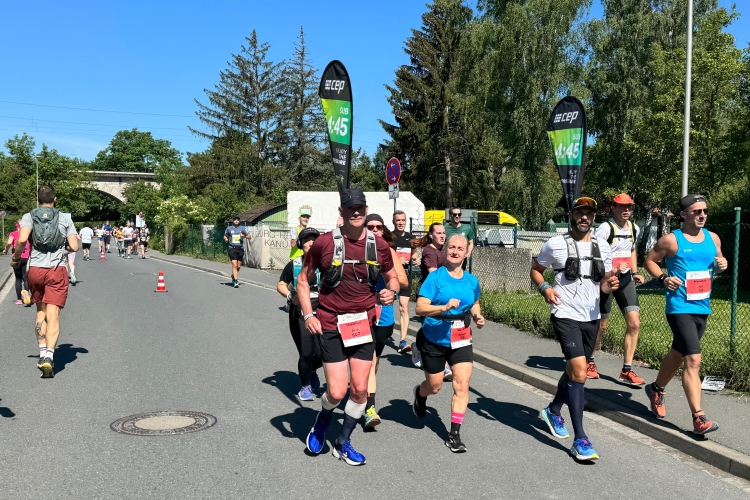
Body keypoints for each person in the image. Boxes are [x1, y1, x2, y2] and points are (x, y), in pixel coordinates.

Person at [298, 188, 399, 466]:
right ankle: (323, 419)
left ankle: (343, 443)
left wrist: (391, 291)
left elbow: (394, 278)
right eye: (350, 208)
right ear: (341, 212)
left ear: (365, 211)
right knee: (337, 392)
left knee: (360, 390)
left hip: (362, 325)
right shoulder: (324, 243)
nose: (356, 212)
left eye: (360, 208)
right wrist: (308, 315)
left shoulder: (379, 245)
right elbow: (303, 280)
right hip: (331, 323)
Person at [530, 196, 618, 461]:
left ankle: (553, 410)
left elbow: (604, 283)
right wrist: (546, 289)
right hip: (564, 314)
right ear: (571, 215)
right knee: (580, 371)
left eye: (589, 214)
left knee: (573, 370)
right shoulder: (555, 244)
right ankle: (580, 439)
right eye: (580, 213)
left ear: (594, 217)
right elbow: (536, 270)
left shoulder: (603, 246)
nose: (584, 218)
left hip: (591, 316)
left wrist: (611, 285)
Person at [643, 194, 727, 435]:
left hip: (702, 307)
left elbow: (718, 263)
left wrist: (722, 265)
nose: (702, 215)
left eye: (705, 211)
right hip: (679, 307)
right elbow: (650, 260)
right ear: (683, 215)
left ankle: (656, 389)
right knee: (693, 360)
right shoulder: (672, 240)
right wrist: (663, 278)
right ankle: (699, 418)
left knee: (678, 353)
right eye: (697, 211)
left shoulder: (713, 238)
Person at [412, 233, 485, 453]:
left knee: (461, 385)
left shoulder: (471, 280)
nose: (455, 251)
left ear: (466, 253)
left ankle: (454, 435)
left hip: (461, 338)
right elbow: (420, 308)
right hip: (434, 338)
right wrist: (443, 307)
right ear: (445, 250)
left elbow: (474, 302)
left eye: (460, 248)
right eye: (451, 247)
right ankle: (420, 394)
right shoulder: (435, 278)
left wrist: (477, 315)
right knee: (434, 386)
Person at [10, 185, 78, 378]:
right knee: (53, 314)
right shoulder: (65, 218)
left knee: (40, 310)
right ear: (55, 199)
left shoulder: (29, 216)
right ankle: (49, 356)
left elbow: (22, 240)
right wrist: (62, 248)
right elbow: (74, 246)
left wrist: (16, 258)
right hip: (57, 270)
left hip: (35, 270)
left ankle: (41, 353)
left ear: (38, 199)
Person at [588, 193, 646, 385]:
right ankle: (589, 361)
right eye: (622, 206)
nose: (626, 210)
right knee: (602, 325)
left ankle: (627, 370)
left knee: (634, 323)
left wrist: (635, 272)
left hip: (625, 279)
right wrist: (611, 269)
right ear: (613, 208)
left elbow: (631, 250)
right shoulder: (605, 229)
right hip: (607, 279)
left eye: (629, 206)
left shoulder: (634, 228)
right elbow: (594, 255)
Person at [362, 214, 409, 428]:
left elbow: (403, 281)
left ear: (383, 230)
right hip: (360, 314)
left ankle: (363, 389)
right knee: (369, 359)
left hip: (383, 316)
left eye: (378, 227)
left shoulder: (388, 252)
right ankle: (369, 409)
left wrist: (389, 284)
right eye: (370, 227)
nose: (374, 230)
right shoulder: (356, 251)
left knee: (375, 361)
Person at [277, 227, 323, 401]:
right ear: (300, 244)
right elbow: (281, 285)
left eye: (315, 240)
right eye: (307, 240)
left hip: (322, 312)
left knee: (323, 354)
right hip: (300, 313)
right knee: (306, 352)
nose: (311, 243)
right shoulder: (294, 265)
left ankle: (311, 369)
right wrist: (291, 295)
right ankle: (305, 387)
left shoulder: (326, 264)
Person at [409, 222, 447, 369]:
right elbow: (433, 274)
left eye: (443, 233)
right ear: (431, 235)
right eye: (439, 233)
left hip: (442, 292)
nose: (442, 236)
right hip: (428, 293)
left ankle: (441, 359)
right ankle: (418, 348)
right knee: (429, 325)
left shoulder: (444, 249)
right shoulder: (429, 251)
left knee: (439, 324)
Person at [392, 210, 418, 354]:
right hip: (390, 277)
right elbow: (384, 255)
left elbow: (414, 253)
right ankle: (383, 331)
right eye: (398, 220)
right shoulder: (389, 237)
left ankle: (402, 341)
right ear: (394, 222)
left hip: (405, 277)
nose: (401, 223)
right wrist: (396, 259)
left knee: (404, 308)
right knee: (385, 306)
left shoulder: (411, 238)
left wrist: (416, 258)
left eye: (403, 220)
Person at [3, 221, 31, 305]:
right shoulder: (28, 234)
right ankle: (26, 295)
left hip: (17, 257)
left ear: (16, 226)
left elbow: (9, 242)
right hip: (26, 257)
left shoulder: (13, 234)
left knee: (18, 278)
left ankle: (19, 299)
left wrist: (6, 250)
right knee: (26, 278)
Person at [223, 216, 251, 288]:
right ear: (233, 221)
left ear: (239, 221)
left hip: (240, 248)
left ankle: (233, 275)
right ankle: (236, 281)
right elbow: (225, 236)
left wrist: (244, 236)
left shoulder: (242, 228)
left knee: (238, 266)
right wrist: (226, 239)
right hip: (232, 248)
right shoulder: (229, 228)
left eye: (237, 220)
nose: (236, 221)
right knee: (234, 264)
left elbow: (249, 236)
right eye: (235, 220)